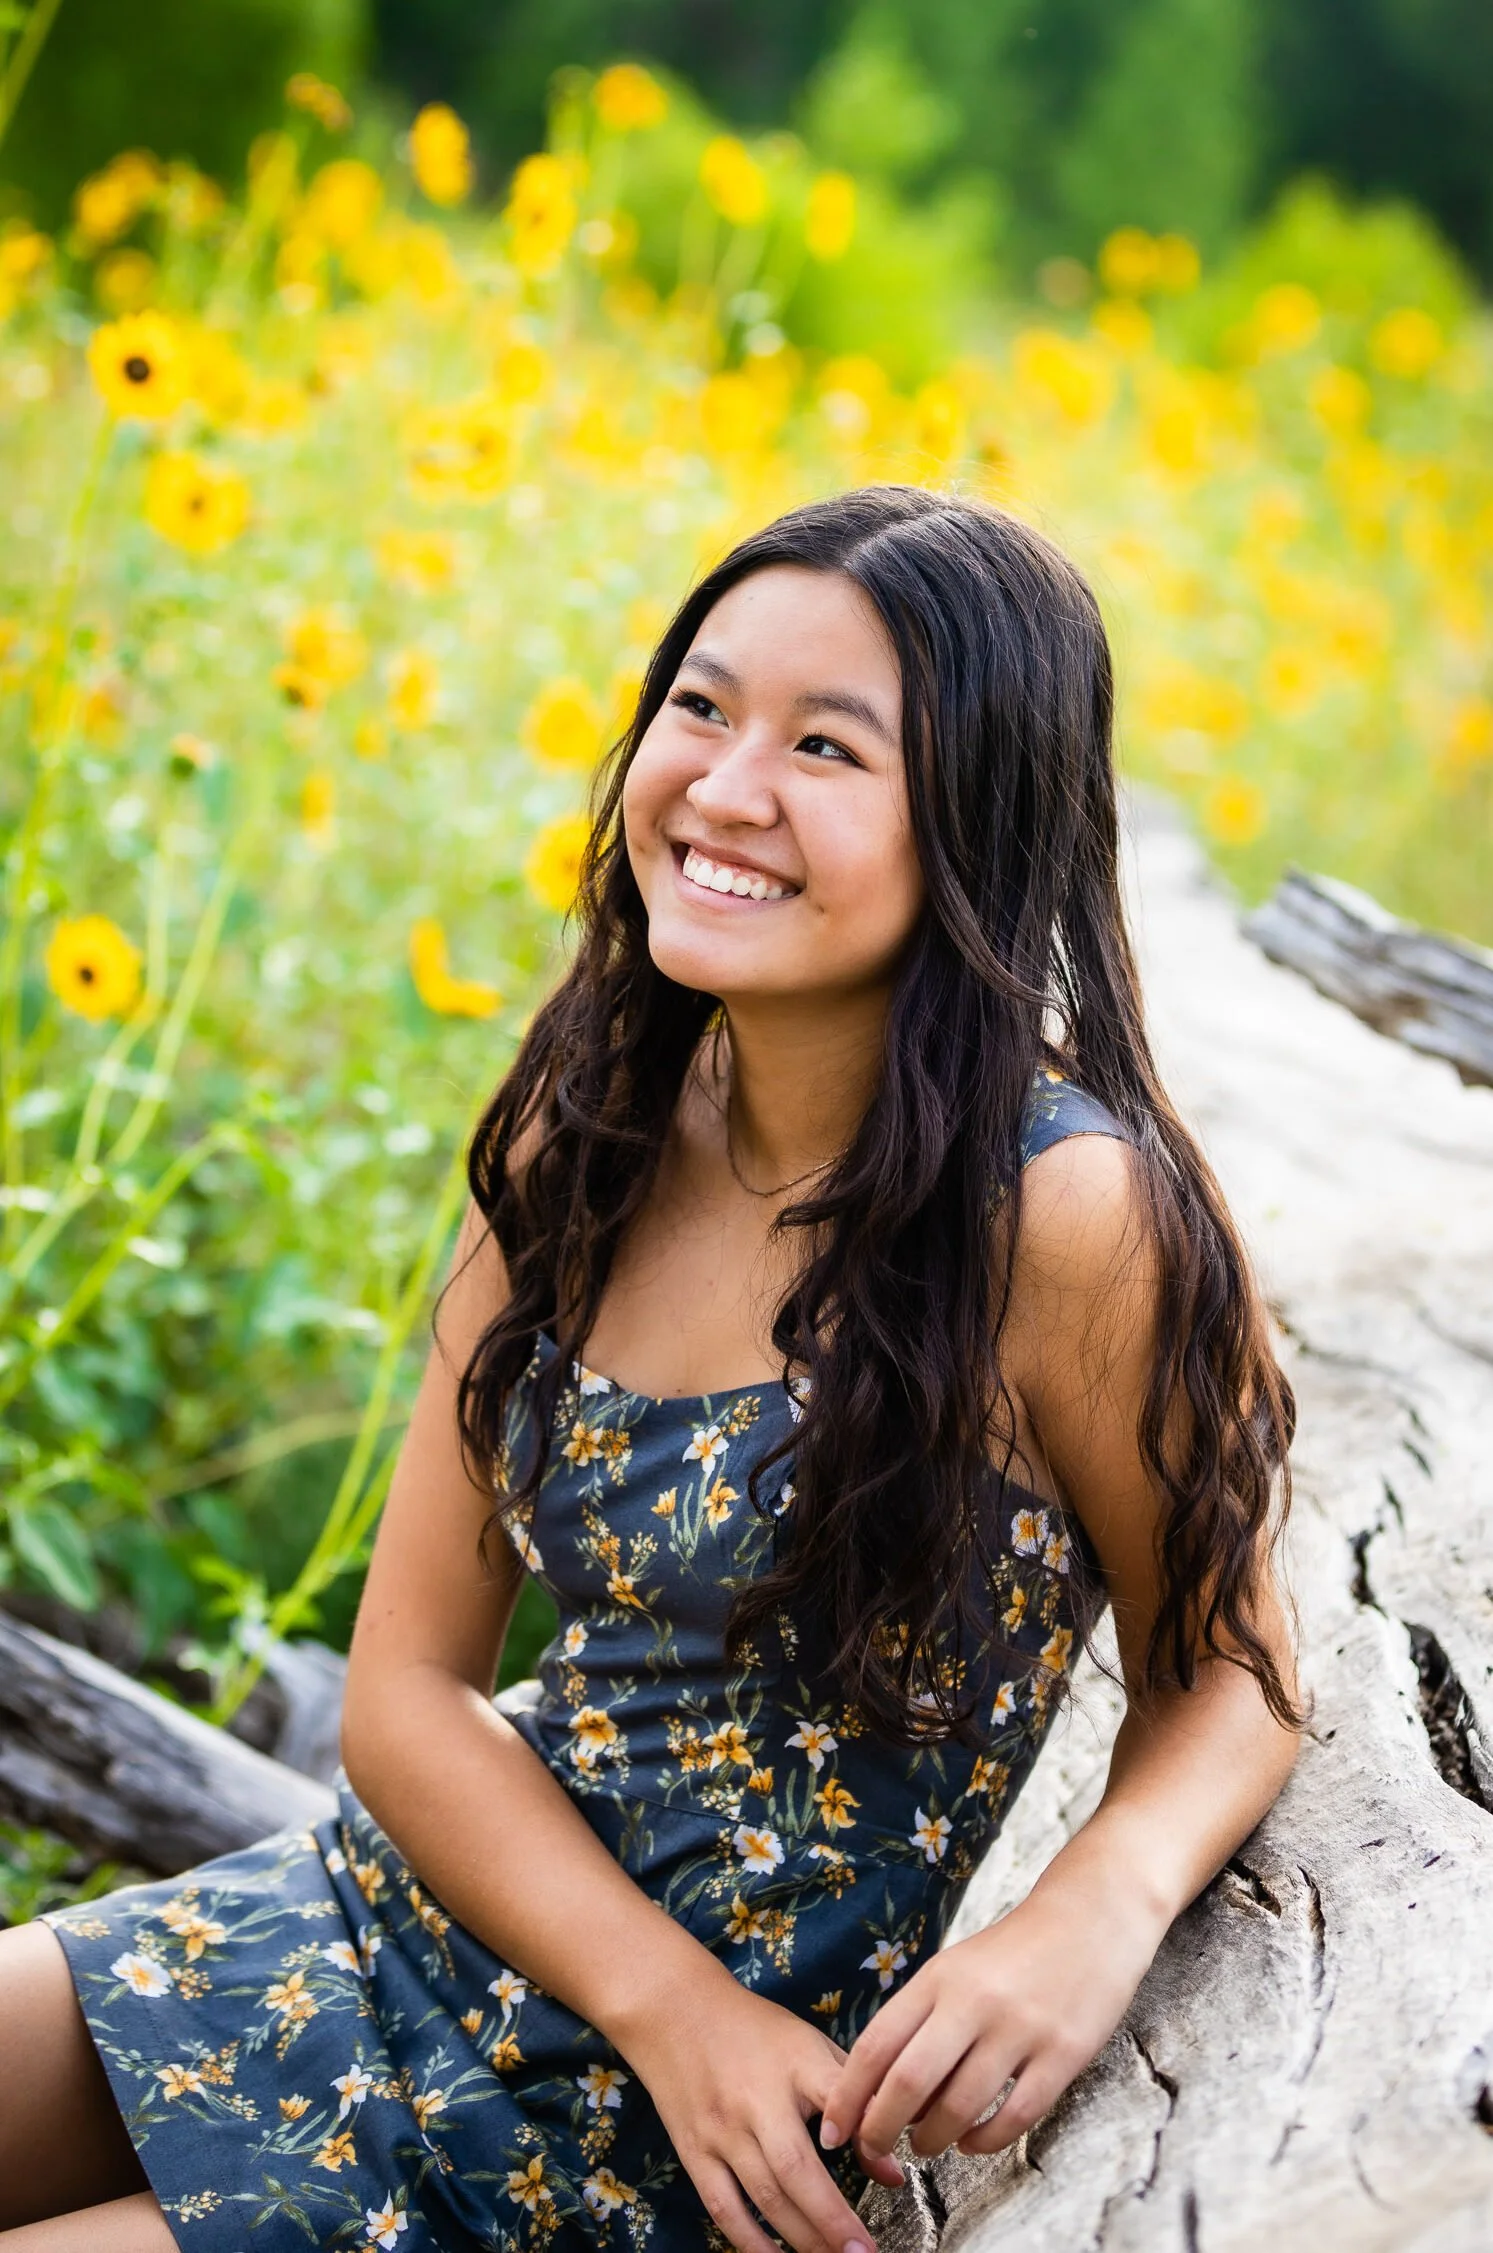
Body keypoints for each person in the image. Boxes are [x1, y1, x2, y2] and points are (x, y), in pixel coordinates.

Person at [0, 485, 1301, 2253]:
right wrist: (661, 2002)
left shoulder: (1065, 1221)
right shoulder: (586, 1119)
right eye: (702, 706)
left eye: (829, 747)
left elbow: (1230, 1669)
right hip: (432, 1936)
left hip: (668, 2150)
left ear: (979, 824)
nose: (726, 787)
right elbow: (405, 1692)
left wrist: (1097, 1906)